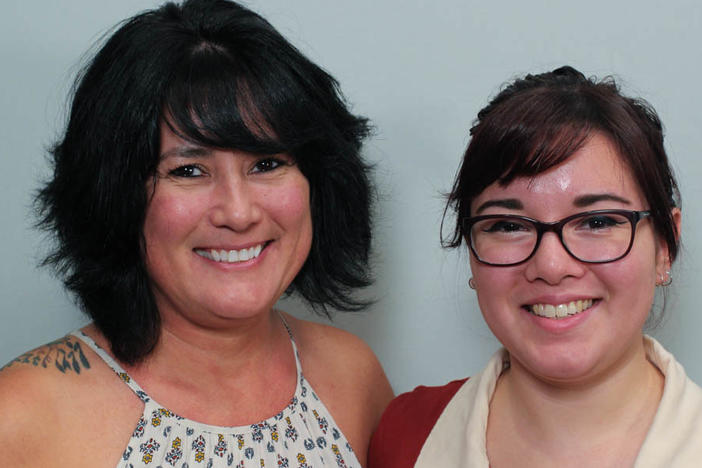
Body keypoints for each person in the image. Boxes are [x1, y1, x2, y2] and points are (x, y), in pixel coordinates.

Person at [0, 1, 393, 466]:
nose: (239, 212)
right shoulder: (22, 414)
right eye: (188, 170)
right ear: (113, 195)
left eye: (267, 164)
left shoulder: (352, 374)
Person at [368, 66, 702, 467]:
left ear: (666, 244)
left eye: (597, 222)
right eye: (508, 226)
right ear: (472, 253)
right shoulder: (404, 435)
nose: (551, 265)